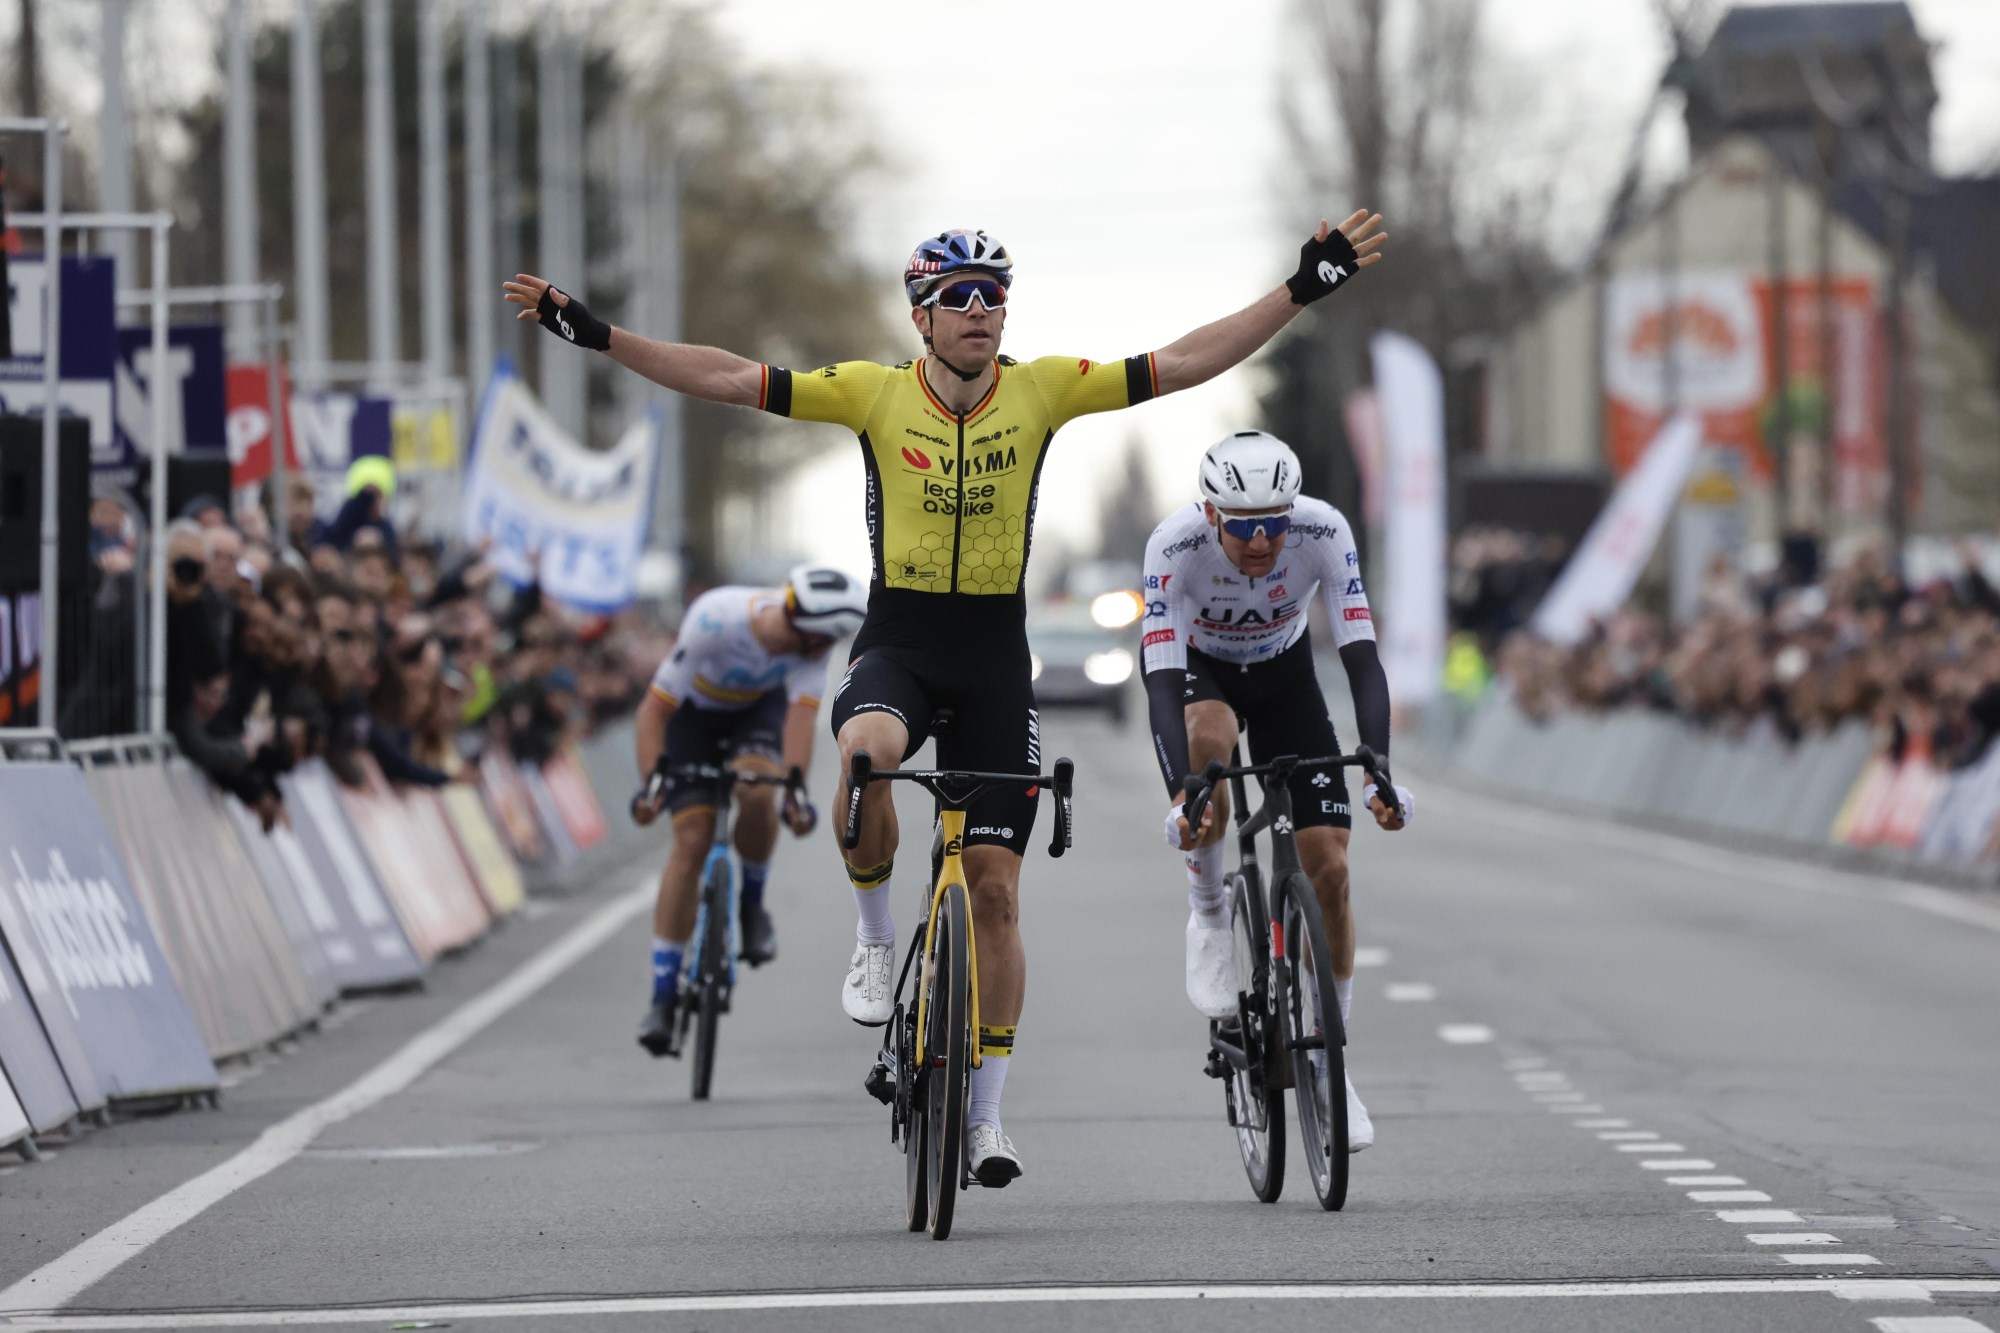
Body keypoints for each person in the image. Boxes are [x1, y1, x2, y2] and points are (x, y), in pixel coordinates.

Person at [507, 210, 1389, 1184]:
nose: (980, 312)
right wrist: (595, 335)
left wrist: (1299, 290)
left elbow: (1179, 362)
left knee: (998, 893)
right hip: (901, 639)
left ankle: (985, 1120)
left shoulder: (1043, 391)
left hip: (992, 655)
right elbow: (726, 376)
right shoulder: (871, 395)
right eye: (956, 298)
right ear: (919, 317)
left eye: (994, 296)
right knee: (864, 758)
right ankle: (876, 939)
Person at [1140, 430, 1414, 1154]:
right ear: (1210, 514)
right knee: (1209, 752)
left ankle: (1329, 1059)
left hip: (1287, 676)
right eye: (1243, 526)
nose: (1261, 542)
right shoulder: (1174, 546)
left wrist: (1376, 763)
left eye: (1274, 523)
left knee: (1331, 868)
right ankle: (1208, 914)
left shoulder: (1323, 529)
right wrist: (1181, 793)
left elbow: (1360, 654)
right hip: (1204, 675)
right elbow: (1160, 678)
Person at [628, 567, 867, 1057]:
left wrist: (795, 791)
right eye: (818, 642)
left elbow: (800, 720)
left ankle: (751, 905)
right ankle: (662, 992)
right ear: (796, 622)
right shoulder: (716, 621)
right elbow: (654, 710)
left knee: (758, 791)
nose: (821, 651)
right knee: (691, 841)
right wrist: (651, 782)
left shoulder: (811, 648)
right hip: (691, 716)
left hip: (756, 716)